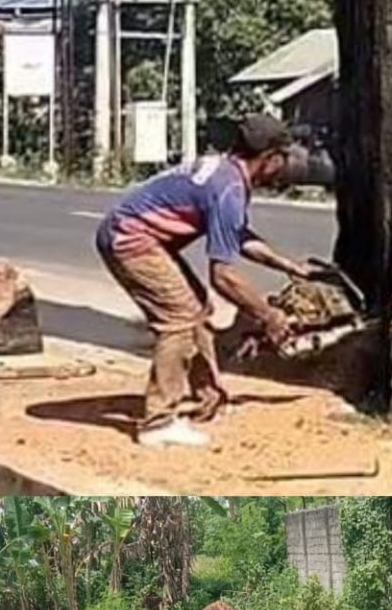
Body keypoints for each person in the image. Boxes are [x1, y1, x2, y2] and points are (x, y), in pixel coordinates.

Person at [96, 113, 328, 449]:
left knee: (198, 308)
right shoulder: (229, 188)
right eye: (283, 159)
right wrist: (269, 316)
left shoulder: (225, 171)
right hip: (130, 241)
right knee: (177, 318)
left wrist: (286, 265)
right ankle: (158, 422)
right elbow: (224, 276)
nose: (284, 168)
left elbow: (235, 234)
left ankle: (207, 396)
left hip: (137, 236)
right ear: (270, 158)